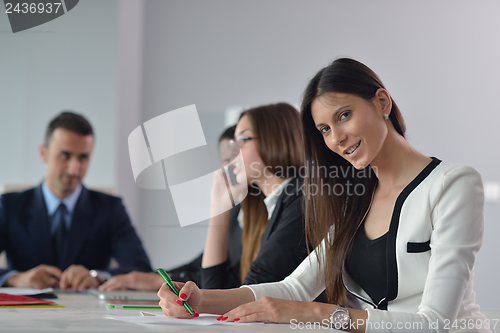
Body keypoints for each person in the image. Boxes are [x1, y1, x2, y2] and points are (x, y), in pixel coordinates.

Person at [157, 58, 490, 333]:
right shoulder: (354, 196)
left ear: (382, 102)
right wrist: (201, 300)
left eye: (344, 115)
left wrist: (315, 314)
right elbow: (294, 288)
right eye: (325, 130)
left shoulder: (453, 184)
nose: (337, 138)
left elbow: (435, 323)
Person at [0, 111, 152, 290]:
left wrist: (97, 277)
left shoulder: (110, 209)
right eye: (65, 156)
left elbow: (141, 270)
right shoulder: (9, 206)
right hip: (23, 314)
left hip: (88, 314)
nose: (74, 169)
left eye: (83, 158)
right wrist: (15, 279)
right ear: (43, 153)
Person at [98, 125, 238, 291]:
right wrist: (157, 278)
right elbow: (201, 265)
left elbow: (222, 281)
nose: (233, 167)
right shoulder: (237, 210)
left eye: (238, 158)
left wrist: (157, 281)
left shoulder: (260, 212)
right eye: (226, 161)